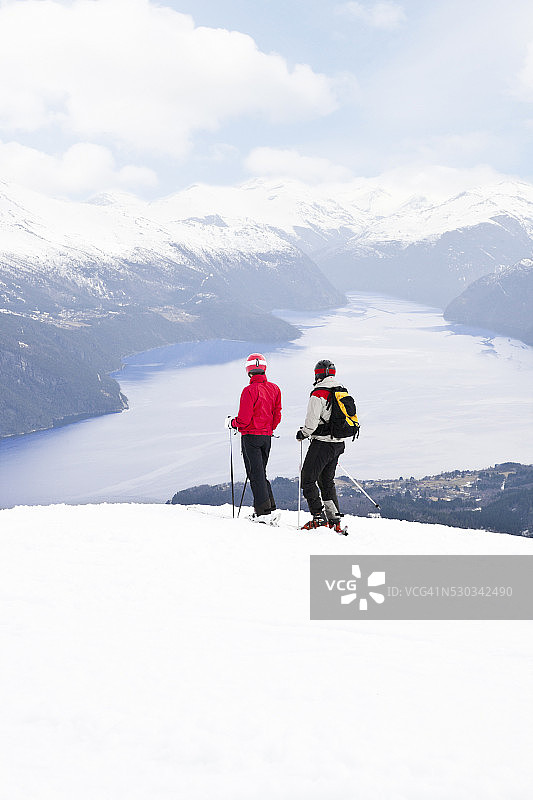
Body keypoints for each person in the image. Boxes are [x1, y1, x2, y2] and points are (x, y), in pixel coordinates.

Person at [228, 353, 282, 521]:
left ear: (248, 370)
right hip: (267, 437)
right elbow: (277, 415)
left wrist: (232, 423)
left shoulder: (249, 391)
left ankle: (263, 513)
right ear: (264, 368)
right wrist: (269, 428)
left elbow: (244, 420)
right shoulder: (275, 389)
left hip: (251, 437)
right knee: (260, 472)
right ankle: (268, 507)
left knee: (255, 474)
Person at [296, 359, 345, 531]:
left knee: (307, 479)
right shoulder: (340, 390)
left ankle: (318, 517)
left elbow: (312, 421)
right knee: (326, 481)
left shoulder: (319, 393)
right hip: (338, 443)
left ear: (319, 375)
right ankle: (334, 519)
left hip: (323, 443)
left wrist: (303, 433)